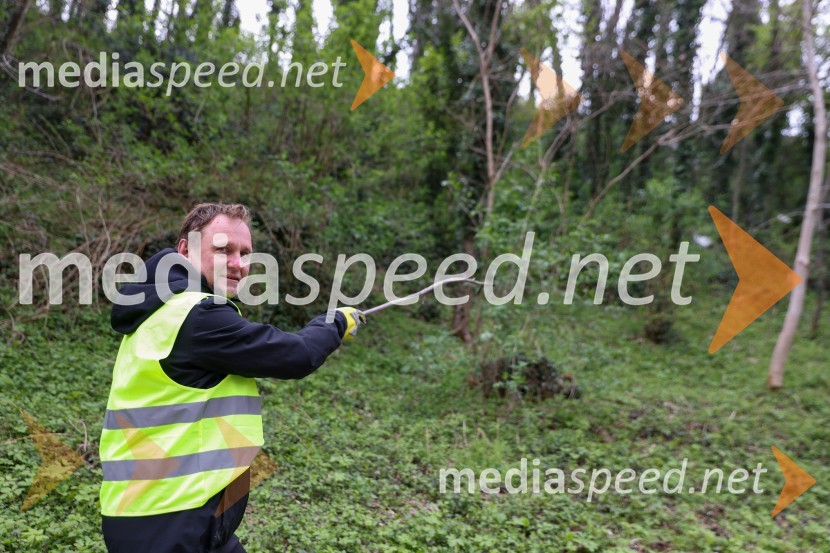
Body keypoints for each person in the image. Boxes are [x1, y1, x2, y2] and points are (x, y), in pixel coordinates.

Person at [98, 203, 364, 552]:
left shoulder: (163, 308)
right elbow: (296, 356)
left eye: (245, 253)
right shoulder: (197, 317)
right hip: (167, 523)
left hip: (183, 514)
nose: (238, 264)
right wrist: (336, 323)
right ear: (186, 250)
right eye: (223, 250)